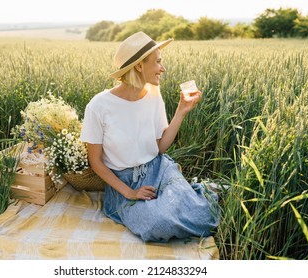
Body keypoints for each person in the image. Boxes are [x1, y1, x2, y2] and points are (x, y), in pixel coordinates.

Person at [80, 31, 220, 242]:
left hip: (158, 169)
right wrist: (129, 193)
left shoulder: (154, 96)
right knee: (159, 224)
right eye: (158, 62)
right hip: (123, 182)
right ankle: (189, 195)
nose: (162, 68)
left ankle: (202, 191)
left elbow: (160, 148)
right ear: (139, 66)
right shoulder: (99, 106)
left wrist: (181, 110)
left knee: (202, 215)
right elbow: (96, 161)